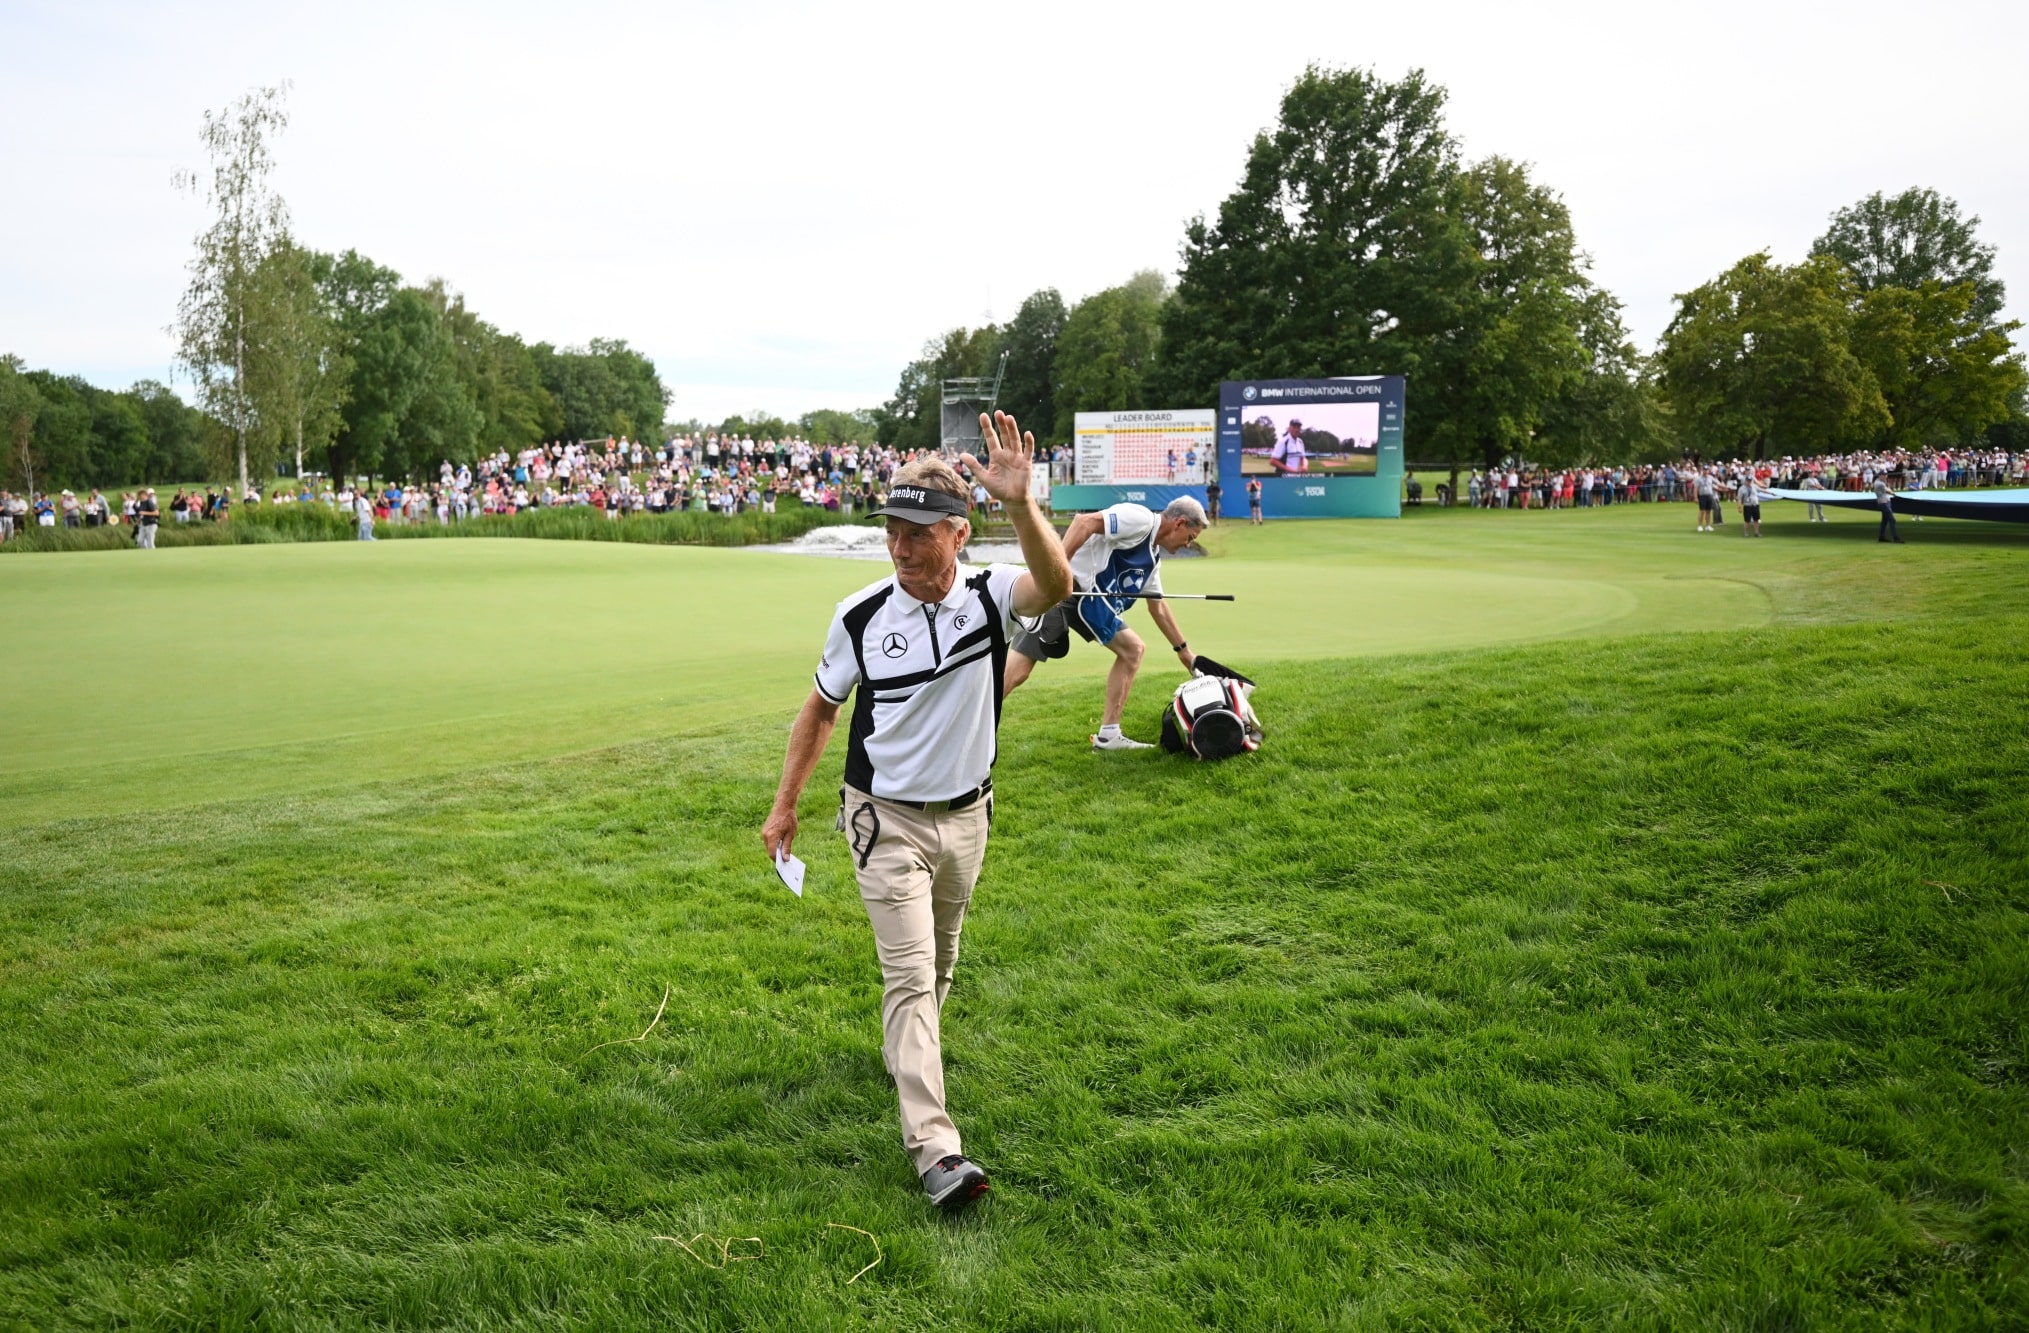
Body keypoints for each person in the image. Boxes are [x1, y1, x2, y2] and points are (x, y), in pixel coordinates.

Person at [761, 412, 1071, 1213]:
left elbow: (1054, 587)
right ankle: (937, 1150)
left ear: (960, 534)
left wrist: (1024, 505)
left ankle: (908, 1056)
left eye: (918, 534)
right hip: (883, 817)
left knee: (940, 963)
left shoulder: (991, 595)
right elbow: (821, 709)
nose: (900, 548)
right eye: (892, 531)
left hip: (969, 815)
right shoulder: (860, 614)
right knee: (907, 975)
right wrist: (785, 802)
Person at [1002, 497, 1208, 750]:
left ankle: (1109, 736)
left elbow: (1158, 607)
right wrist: (1055, 572)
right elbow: (1083, 522)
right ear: (1179, 523)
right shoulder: (1141, 519)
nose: (1189, 543)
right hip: (1065, 592)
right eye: (1191, 536)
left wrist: (1185, 653)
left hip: (1091, 606)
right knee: (1017, 672)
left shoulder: (1152, 560)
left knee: (1133, 650)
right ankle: (970, 723)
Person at [1873, 475, 1904, 543]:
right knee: (1892, 520)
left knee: (1885, 520)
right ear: (1880, 476)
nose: (1885, 477)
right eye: (1884, 475)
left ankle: (1881, 537)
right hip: (1884, 503)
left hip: (1885, 502)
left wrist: (1890, 490)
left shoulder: (1880, 482)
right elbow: (1888, 491)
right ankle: (1896, 538)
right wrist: (1893, 493)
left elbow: (1888, 488)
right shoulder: (1879, 483)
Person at [1738, 473, 1762, 537]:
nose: (1749, 482)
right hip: (1747, 506)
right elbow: (1739, 499)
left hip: (1755, 505)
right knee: (1747, 520)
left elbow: (1762, 490)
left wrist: (1771, 492)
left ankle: (1756, 532)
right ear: (1745, 480)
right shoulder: (1741, 488)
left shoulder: (1754, 486)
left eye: (1750, 480)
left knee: (1756, 519)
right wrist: (1740, 507)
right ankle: (1746, 533)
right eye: (1748, 480)